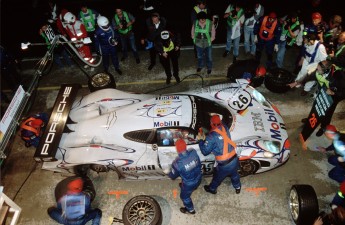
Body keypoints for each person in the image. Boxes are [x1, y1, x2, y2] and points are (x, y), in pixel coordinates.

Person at [197, 115, 241, 194]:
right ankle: (237, 187)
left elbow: (205, 151)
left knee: (217, 178)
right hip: (234, 159)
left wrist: (200, 140)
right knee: (235, 175)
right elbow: (222, 122)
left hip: (224, 165)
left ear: (211, 123)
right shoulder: (225, 127)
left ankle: (212, 189)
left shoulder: (211, 137)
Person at [300, 60, 345, 136]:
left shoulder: (339, 76)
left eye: (318, 69)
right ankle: (310, 120)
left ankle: (324, 127)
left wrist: (334, 93)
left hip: (335, 96)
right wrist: (299, 82)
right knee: (317, 106)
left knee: (327, 113)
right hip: (324, 91)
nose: (317, 70)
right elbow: (310, 76)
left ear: (326, 70)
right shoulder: (321, 71)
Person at [166, 139, 202, 215]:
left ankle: (191, 210)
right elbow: (199, 164)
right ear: (185, 146)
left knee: (184, 197)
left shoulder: (177, 163)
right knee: (187, 176)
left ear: (177, 149)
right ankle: (191, 187)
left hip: (189, 184)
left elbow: (173, 176)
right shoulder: (193, 152)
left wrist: (168, 172)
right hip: (199, 178)